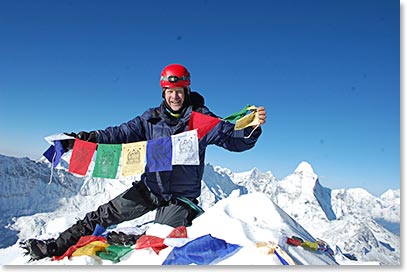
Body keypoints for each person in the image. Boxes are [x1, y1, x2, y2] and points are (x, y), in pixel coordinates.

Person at [21, 64, 267, 261]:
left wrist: (252, 128)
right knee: (101, 215)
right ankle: (56, 245)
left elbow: (231, 138)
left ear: (186, 92)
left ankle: (130, 239)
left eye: (179, 92)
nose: (174, 97)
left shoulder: (200, 121)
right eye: (169, 92)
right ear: (163, 92)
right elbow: (118, 134)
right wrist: (84, 139)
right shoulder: (149, 120)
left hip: (179, 200)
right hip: (149, 189)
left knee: (159, 242)